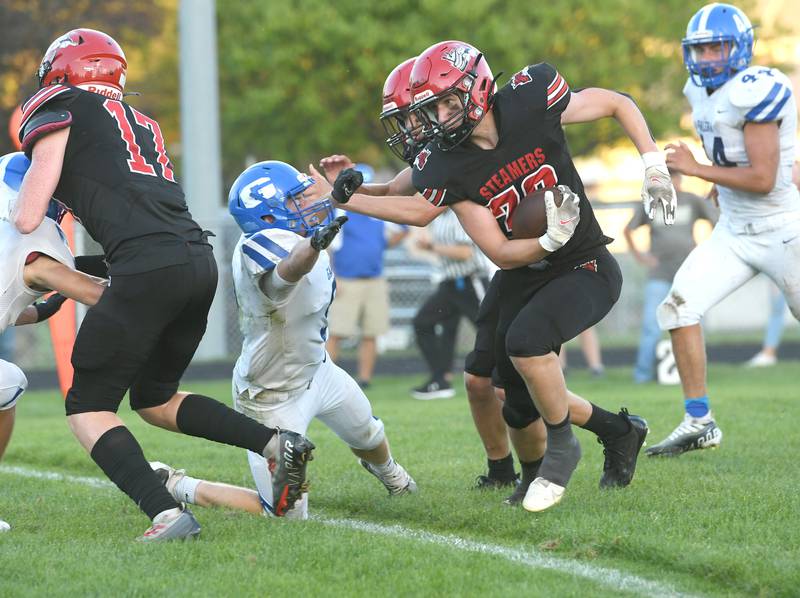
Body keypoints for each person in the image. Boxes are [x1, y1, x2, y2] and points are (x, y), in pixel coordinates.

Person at [312, 40, 668, 511]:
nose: (436, 119)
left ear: (476, 88)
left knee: (524, 346)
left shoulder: (529, 95)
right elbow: (482, 242)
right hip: (524, 269)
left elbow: (617, 103)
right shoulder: (449, 161)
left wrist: (653, 165)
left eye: (443, 104)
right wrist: (346, 194)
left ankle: (562, 447)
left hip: (583, 263)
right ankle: (572, 454)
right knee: (509, 391)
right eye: (427, 109)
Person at [12, 29, 314, 540]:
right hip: (196, 260)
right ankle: (272, 443)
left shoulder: (59, 102)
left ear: (62, 73)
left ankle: (166, 514)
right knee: (154, 398)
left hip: (148, 265)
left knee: (88, 406)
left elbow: (26, 217)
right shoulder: (142, 121)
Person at [145, 161, 416, 520]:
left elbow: (316, 223)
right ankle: (177, 484)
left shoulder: (297, 231)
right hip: (271, 394)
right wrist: (312, 247)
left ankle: (392, 476)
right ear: (270, 217)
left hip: (317, 368)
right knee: (285, 514)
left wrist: (337, 196)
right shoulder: (262, 245)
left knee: (368, 432)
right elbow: (283, 274)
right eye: (296, 201)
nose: (308, 203)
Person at [321, 57, 520, 491]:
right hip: (492, 268)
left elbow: (419, 211)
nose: (410, 130)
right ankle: (506, 468)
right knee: (479, 379)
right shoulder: (443, 151)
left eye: (413, 117)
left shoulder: (458, 150)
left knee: (513, 384)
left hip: (499, 267)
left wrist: (342, 199)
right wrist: (347, 186)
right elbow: (395, 188)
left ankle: (588, 439)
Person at [648, 4, 800, 456]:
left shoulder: (757, 90)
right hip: (734, 230)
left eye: (716, 46)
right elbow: (731, 152)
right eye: (700, 48)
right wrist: (717, 181)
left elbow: (763, 178)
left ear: (739, 48)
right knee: (679, 307)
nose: (708, 57)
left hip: (781, 229)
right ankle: (699, 421)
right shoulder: (697, 89)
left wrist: (699, 171)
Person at [0, 151, 107, 532]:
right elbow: (99, 296)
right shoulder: (35, 254)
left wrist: (44, 310)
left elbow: (10, 307)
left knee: (5, 383)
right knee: (8, 380)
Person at [624, 169, 717, 384]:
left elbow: (716, 219)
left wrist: (708, 250)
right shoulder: (651, 202)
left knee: (690, 323)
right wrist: (640, 257)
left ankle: (696, 374)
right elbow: (628, 230)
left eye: (675, 177)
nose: (673, 182)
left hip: (687, 273)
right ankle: (642, 375)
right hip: (659, 273)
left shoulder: (692, 201)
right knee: (650, 325)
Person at [326, 164, 408, 389]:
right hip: (346, 279)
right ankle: (327, 380)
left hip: (375, 278)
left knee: (372, 333)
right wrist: (333, 277)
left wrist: (381, 245)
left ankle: (364, 380)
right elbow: (327, 245)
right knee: (337, 332)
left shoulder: (377, 209)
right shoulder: (340, 209)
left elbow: (402, 228)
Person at [411, 208, 489, 400]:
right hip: (450, 282)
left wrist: (431, 247)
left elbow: (465, 252)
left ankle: (511, 374)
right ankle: (440, 379)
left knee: (490, 329)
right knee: (425, 323)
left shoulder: (460, 214)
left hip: (471, 281)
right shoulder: (439, 217)